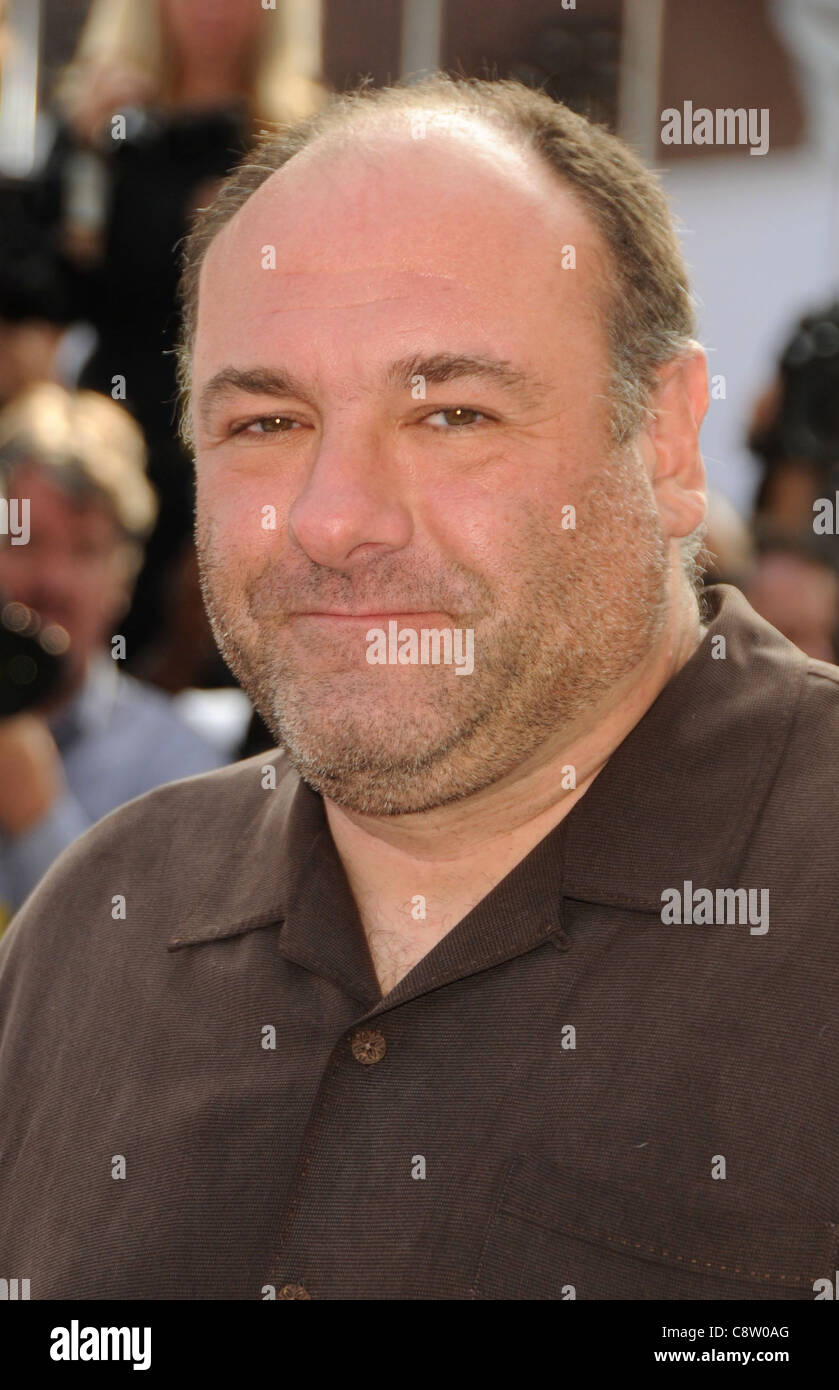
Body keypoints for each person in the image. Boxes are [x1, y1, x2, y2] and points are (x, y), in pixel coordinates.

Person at [0, 74, 837, 1301]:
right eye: (267, 423)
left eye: (450, 412)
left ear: (663, 440)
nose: (335, 520)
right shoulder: (94, 931)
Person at [0, 384, 226, 928]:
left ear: (123, 579)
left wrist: (36, 815)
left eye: (84, 550)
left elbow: (142, 982)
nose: (50, 580)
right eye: (25, 542)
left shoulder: (181, 772)